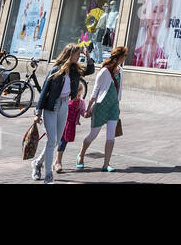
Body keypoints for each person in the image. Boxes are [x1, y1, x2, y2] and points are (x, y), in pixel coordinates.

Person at [32, 44, 90, 183]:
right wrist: (37, 112)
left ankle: (37, 163)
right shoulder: (55, 70)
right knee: (52, 141)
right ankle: (48, 176)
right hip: (51, 106)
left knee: (56, 141)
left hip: (65, 105)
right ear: (69, 54)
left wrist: (88, 56)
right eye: (77, 54)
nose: (78, 56)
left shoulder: (75, 70)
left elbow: (91, 69)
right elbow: (44, 92)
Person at [78, 46, 127, 172]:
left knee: (111, 136)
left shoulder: (120, 71)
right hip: (101, 106)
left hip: (113, 106)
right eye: (124, 55)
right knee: (93, 135)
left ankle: (106, 164)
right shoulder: (104, 71)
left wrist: (118, 105)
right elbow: (95, 91)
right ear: (119, 57)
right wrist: (88, 109)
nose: (125, 58)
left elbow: (118, 90)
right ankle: (81, 155)